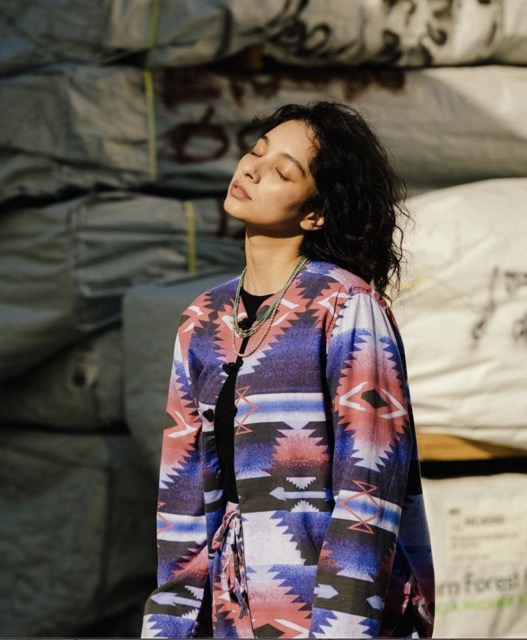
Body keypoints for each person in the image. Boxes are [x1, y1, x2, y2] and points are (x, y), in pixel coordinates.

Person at [142, 101, 434, 639]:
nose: (252, 169)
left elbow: (368, 494)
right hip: (230, 616)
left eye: (283, 170)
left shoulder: (344, 308)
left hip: (324, 617)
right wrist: (167, 627)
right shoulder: (202, 320)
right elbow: (182, 501)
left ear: (315, 213)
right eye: (256, 152)